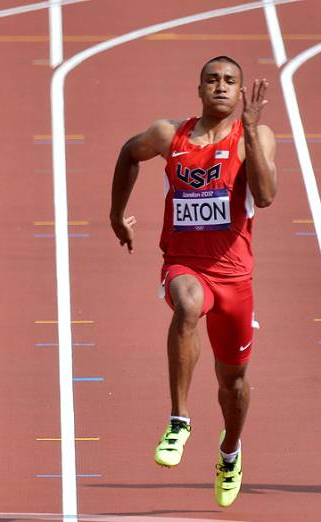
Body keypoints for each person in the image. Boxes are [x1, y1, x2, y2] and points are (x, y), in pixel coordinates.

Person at [109, 56, 276, 507]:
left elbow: (265, 195)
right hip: (184, 263)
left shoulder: (255, 137)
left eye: (229, 82)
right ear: (199, 88)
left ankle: (230, 452)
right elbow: (129, 152)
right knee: (186, 305)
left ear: (241, 91)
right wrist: (115, 216)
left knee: (233, 385)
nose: (220, 87)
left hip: (236, 277)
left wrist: (254, 128)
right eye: (212, 80)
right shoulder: (171, 134)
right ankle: (179, 422)